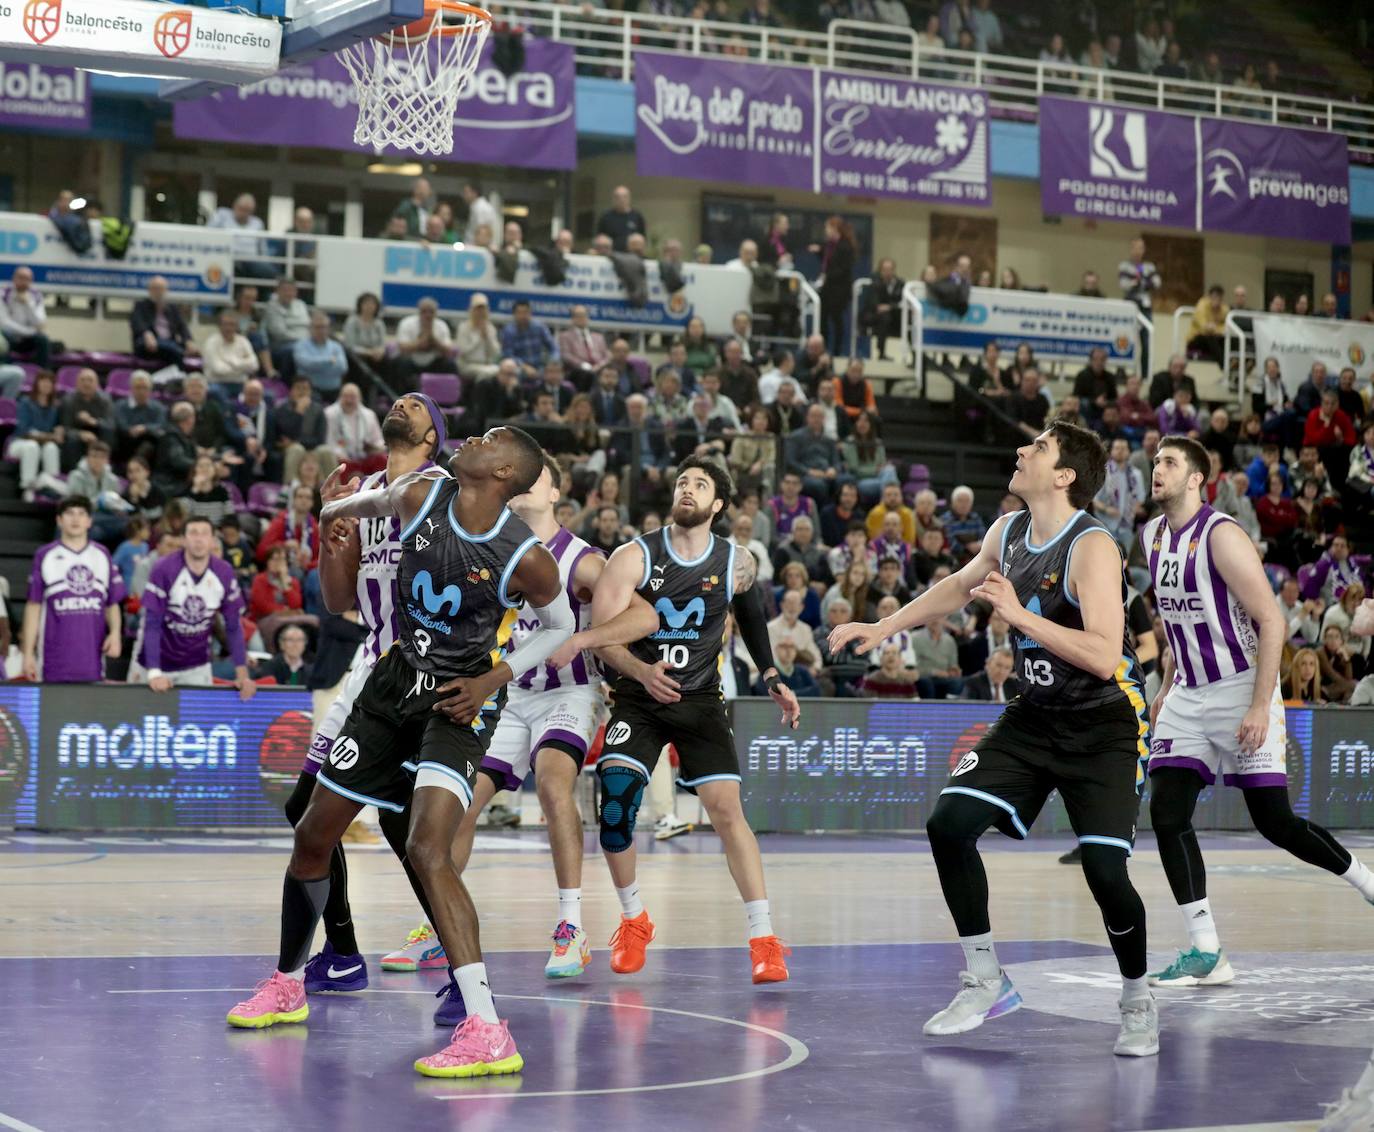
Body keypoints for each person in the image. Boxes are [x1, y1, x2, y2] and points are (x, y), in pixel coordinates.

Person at [227, 425, 574, 1084]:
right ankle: (288, 983)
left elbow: (561, 626)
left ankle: (485, 1026)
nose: (475, 436)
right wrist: (331, 517)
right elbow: (361, 508)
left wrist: (493, 680)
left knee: (426, 847)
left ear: (505, 473)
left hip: (460, 701)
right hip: (392, 683)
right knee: (312, 833)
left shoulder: (524, 556)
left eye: (492, 437)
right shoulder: (419, 495)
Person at [830, 420, 1157, 1056]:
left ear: (1063, 475)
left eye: (1036, 447)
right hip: (1033, 715)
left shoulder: (1092, 547)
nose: (1019, 451)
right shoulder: (1007, 532)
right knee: (948, 824)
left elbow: (1101, 654)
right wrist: (883, 625)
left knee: (1104, 871)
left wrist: (1018, 615)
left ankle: (1138, 997)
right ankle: (985, 978)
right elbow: (957, 588)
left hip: (1105, 723)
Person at [1141, 436, 1374, 988]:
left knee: (1275, 821)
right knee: (1167, 814)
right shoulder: (1151, 535)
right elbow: (1179, 622)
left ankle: (1365, 879)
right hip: (1188, 693)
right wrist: (1168, 682)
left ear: (1197, 478)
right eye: (1155, 462)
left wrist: (1258, 705)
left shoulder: (1221, 536)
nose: (1158, 469)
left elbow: (1272, 621)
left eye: (1169, 463)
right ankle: (1206, 950)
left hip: (1244, 685)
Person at [440, 453, 657, 980]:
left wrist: (583, 639)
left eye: (538, 476)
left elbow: (643, 615)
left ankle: (571, 926)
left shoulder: (583, 560)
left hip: (570, 692)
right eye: (521, 476)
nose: (525, 482)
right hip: (512, 696)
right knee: (462, 807)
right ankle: (436, 925)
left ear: (557, 493)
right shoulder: (496, 548)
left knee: (557, 788)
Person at [588, 456, 801, 984]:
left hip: (702, 699)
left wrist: (772, 676)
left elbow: (750, 617)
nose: (687, 489)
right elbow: (601, 635)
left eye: (700, 485)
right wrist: (641, 670)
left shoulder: (737, 561)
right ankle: (634, 919)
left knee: (727, 812)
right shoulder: (633, 555)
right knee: (614, 802)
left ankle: (765, 939)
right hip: (640, 697)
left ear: (718, 505)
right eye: (682, 481)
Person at [275, 394, 452, 992]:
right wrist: (332, 532)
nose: (402, 403)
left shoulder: (440, 489)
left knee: (410, 833)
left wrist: (341, 510)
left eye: (417, 405)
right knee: (305, 809)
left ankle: (462, 969)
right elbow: (335, 598)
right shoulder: (365, 489)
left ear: (432, 437)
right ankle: (343, 951)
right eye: (399, 401)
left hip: (426, 674)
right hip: (371, 665)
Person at [129, 515, 255, 696]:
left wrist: (242, 674)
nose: (198, 539)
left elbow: (233, 626)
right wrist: (154, 672)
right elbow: (152, 623)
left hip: (196, 665)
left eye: (204, 533)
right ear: (183, 540)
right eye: (193, 533)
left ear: (213, 540)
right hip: (155, 662)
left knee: (196, 722)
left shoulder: (224, 572)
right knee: (138, 719)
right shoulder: (164, 568)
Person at [20, 495, 123, 683]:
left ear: (89, 521)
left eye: (81, 514)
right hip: (53, 661)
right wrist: (27, 654)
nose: (75, 519)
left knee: (91, 711)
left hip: (93, 660)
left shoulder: (102, 555)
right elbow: (33, 607)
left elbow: (112, 603)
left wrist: (115, 633)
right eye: (69, 513)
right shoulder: (45, 555)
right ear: (59, 520)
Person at [10, 368, 63, 501]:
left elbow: (57, 429)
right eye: (43, 381)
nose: (46, 385)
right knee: (32, 446)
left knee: (52, 447)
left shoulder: (55, 406)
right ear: (37, 384)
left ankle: (51, 485)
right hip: (19, 443)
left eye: (50, 382)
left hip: (43, 445)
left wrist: (59, 431)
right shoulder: (25, 402)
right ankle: (27, 487)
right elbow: (24, 431)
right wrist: (49, 436)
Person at [813, 215, 856, 357]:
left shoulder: (845, 246)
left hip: (839, 290)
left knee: (836, 319)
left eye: (827, 227)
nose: (826, 231)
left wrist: (827, 276)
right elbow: (827, 260)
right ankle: (822, 349)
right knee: (822, 318)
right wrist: (819, 251)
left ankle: (837, 350)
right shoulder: (829, 245)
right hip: (827, 288)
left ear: (835, 228)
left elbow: (843, 268)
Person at [1118, 237, 1161, 368]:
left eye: (1140, 248)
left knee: (1146, 340)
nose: (1138, 251)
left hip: (1145, 307)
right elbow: (1124, 285)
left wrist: (1140, 281)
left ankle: (1145, 372)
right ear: (1131, 249)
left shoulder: (1149, 266)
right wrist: (1141, 281)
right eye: (1135, 247)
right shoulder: (1124, 266)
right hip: (1130, 306)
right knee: (1124, 338)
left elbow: (1157, 283)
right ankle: (1121, 371)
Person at [394, 297, 457, 384]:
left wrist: (433, 339)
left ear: (436, 313)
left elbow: (449, 350)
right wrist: (419, 343)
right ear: (419, 312)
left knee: (450, 364)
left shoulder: (441, 325)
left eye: (431, 312)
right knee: (400, 362)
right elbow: (402, 348)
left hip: (434, 362)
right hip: (411, 361)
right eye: (424, 311)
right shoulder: (407, 323)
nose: (427, 315)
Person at [0, 266, 51, 366]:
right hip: (11, 337)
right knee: (3, 337)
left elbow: (40, 322)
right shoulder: (3, 294)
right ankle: (5, 371)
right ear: (14, 278)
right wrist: (30, 331)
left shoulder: (36, 296)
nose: (23, 282)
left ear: (31, 281)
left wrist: (28, 304)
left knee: (43, 340)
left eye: (27, 279)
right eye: (21, 278)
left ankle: (42, 375)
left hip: (29, 340)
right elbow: (4, 323)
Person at [860, 258, 905, 360]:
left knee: (909, 320)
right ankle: (881, 352)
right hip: (874, 315)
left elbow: (901, 302)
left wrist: (890, 307)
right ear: (880, 270)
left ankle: (916, 356)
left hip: (895, 315)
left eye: (890, 269)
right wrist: (879, 307)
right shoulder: (874, 282)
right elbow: (872, 301)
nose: (887, 272)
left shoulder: (900, 283)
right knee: (885, 318)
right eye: (885, 269)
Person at [596, 185, 647, 252]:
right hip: (611, 255)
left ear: (629, 198)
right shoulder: (606, 217)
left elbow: (643, 239)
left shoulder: (637, 216)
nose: (621, 199)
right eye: (618, 197)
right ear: (613, 199)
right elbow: (599, 238)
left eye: (624, 197)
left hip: (632, 257)